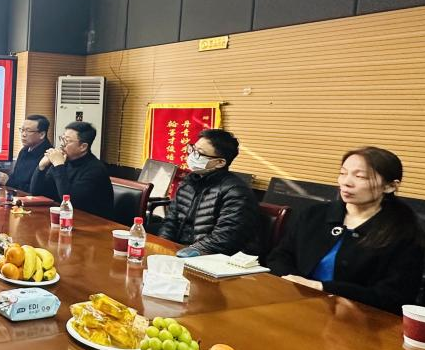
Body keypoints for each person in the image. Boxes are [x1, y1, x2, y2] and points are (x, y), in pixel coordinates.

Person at [266, 146, 424, 313]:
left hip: (359, 318)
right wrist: (293, 281)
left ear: (390, 186)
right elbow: (279, 256)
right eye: (343, 173)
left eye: (360, 176)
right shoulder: (315, 214)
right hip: (296, 304)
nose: (346, 182)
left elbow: (394, 297)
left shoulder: (404, 232)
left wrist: (320, 287)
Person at [159, 129, 260, 256]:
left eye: (199, 153)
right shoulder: (189, 181)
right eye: (193, 149)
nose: (192, 156)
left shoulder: (236, 192)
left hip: (209, 257)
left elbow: (223, 238)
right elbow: (170, 222)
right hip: (179, 251)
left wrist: (185, 254)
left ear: (220, 162)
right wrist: (163, 247)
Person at [29, 121, 113, 219]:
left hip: (93, 222)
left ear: (83, 147)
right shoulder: (65, 162)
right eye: (62, 139)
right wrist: (41, 167)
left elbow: (70, 201)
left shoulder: (95, 169)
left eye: (67, 141)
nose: (61, 144)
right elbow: (37, 192)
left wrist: (59, 166)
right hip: (68, 218)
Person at [3, 114, 52, 190]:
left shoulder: (48, 156)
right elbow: (15, 177)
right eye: (22, 130)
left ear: (42, 134)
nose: (23, 134)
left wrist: (8, 182)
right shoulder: (24, 150)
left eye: (28, 131)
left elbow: (36, 190)